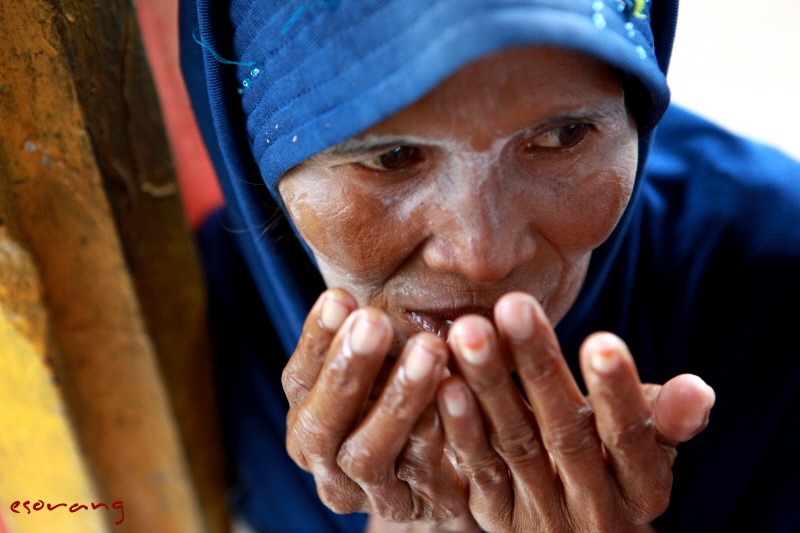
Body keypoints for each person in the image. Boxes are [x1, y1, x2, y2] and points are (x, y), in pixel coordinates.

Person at [180, 0, 800, 531]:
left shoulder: (776, 284)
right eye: (391, 157)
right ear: (253, 159)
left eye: (563, 137)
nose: (484, 256)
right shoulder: (190, 325)